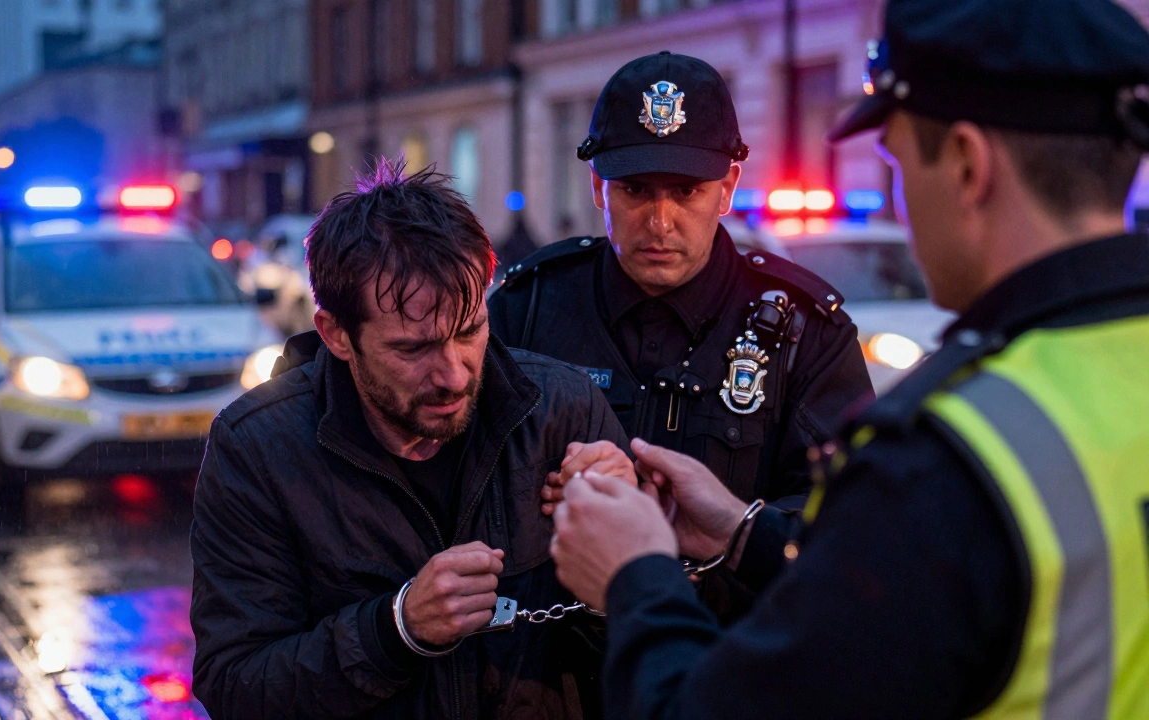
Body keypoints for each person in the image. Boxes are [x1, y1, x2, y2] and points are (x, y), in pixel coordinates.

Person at [548, 0, 1149, 717]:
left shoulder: (940, 464)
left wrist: (635, 575)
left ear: (965, 163)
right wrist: (744, 531)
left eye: (894, 159)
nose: (900, 198)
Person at [190, 159, 633, 719]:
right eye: (412, 348)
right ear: (337, 335)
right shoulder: (258, 447)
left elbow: (653, 652)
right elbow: (236, 688)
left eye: (468, 331)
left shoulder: (563, 410)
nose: (453, 373)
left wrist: (626, 566)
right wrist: (394, 628)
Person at [488, 51, 873, 619]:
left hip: (724, 666)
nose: (660, 222)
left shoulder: (804, 333)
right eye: (636, 190)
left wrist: (737, 529)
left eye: (687, 191)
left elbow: (853, 527)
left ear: (727, 188)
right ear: (599, 188)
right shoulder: (529, 308)